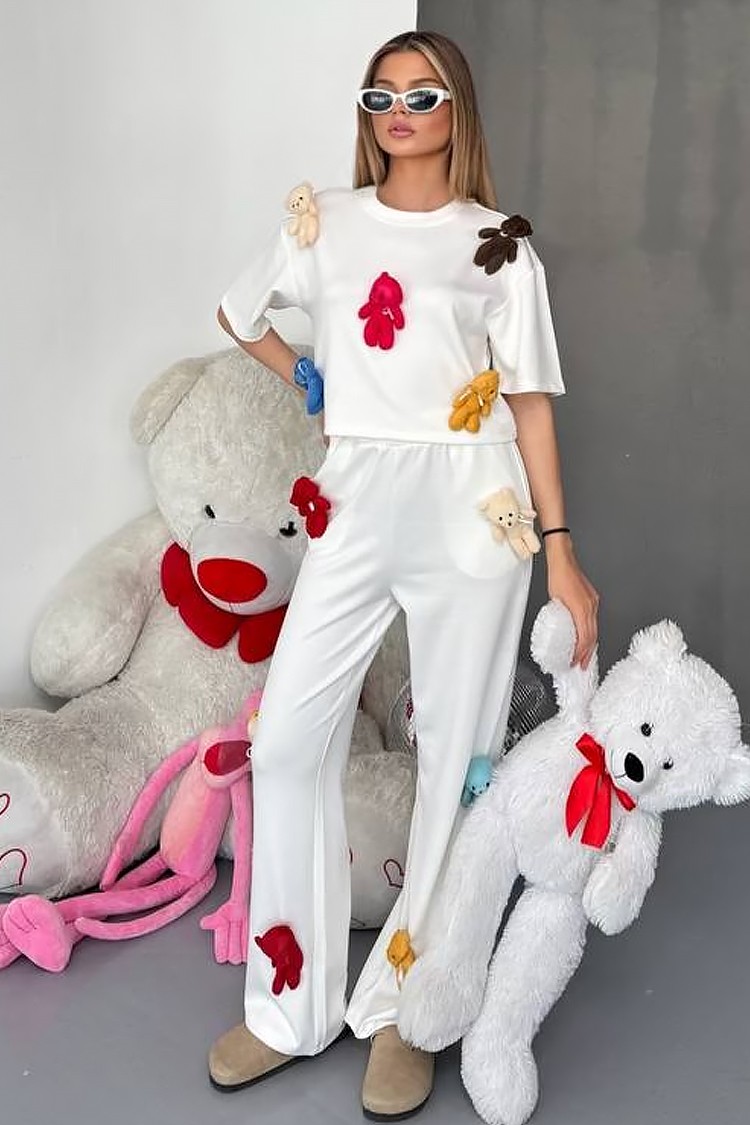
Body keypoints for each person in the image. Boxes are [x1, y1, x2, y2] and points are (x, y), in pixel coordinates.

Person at [208, 28, 599, 1121]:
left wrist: (562, 551)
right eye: (380, 94)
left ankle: (407, 1009)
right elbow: (239, 311)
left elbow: (528, 403)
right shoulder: (326, 224)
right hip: (357, 495)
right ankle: (288, 1006)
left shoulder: (496, 246)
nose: (398, 111)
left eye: (421, 95)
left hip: (474, 509)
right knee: (288, 738)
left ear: (455, 109)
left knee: (454, 763)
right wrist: (308, 375)